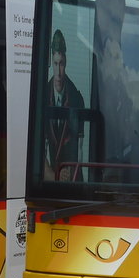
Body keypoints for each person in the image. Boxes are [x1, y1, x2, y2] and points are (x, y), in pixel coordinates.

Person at [44, 29, 85, 181]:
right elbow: (41, 149)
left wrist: (69, 174)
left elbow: (79, 149)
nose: (59, 72)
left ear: (65, 63)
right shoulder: (43, 96)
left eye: (61, 64)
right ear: (51, 64)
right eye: (55, 64)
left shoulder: (76, 98)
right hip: (51, 178)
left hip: (73, 178)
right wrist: (54, 175)